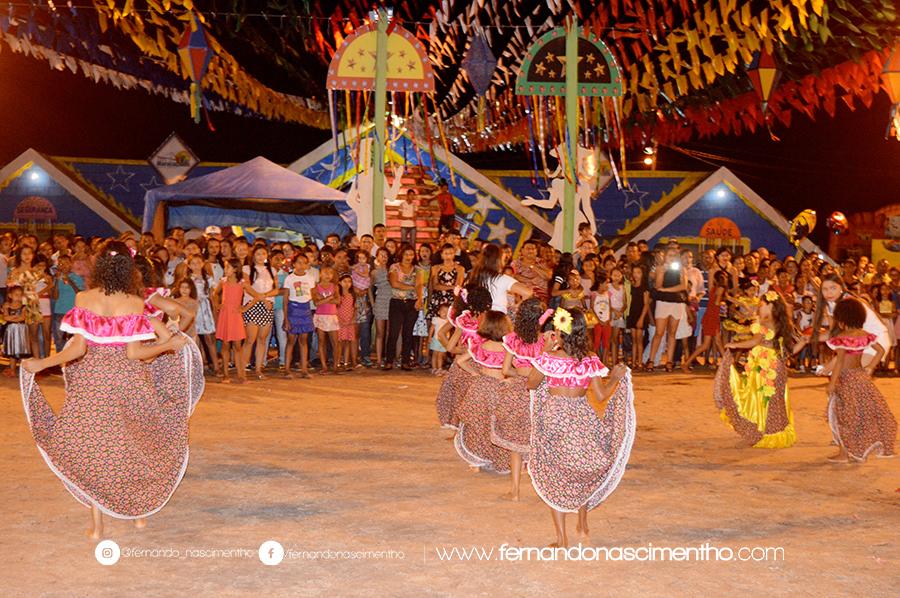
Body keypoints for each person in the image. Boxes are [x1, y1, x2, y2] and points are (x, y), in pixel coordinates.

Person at [20, 240, 202, 539]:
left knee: (93, 448)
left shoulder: (83, 298)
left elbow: (76, 349)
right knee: (134, 444)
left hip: (92, 382)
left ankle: (98, 524)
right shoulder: (133, 302)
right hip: (128, 381)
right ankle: (138, 515)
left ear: (100, 266)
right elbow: (134, 354)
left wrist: (42, 363)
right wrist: (169, 344)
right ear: (129, 269)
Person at [527, 307, 633, 548]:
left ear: (560, 332)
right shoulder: (590, 359)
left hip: (555, 419)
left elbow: (531, 384)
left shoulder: (550, 359)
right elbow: (601, 394)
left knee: (556, 473)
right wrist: (615, 377)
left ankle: (562, 538)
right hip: (581, 417)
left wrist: (542, 353)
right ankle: (583, 525)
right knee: (580, 469)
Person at [714, 291, 796, 448]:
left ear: (771, 306)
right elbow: (787, 349)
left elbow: (755, 340)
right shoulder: (781, 323)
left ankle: (767, 431)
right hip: (776, 364)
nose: (760, 306)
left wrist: (736, 345)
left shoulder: (766, 324)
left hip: (766, 365)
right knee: (773, 400)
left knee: (763, 399)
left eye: (763, 304)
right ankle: (775, 431)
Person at [825, 297, 896, 462]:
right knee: (859, 414)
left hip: (846, 379)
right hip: (861, 378)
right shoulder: (866, 335)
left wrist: (833, 382)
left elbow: (840, 361)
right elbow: (879, 352)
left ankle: (844, 453)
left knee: (843, 415)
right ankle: (854, 449)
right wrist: (870, 367)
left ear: (841, 320)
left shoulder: (843, 337)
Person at [453, 310, 513, 474]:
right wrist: (511, 379)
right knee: (500, 425)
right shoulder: (508, 348)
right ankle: (500, 458)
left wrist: (474, 373)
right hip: (501, 389)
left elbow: (460, 361)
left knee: (479, 424)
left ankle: (477, 460)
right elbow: (514, 368)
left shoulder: (480, 346)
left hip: (482, 388)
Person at [498, 298, 547, 501]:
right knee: (541, 438)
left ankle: (515, 491)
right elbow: (546, 367)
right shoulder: (546, 339)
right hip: (540, 390)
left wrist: (518, 373)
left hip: (519, 390)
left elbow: (505, 369)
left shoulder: (512, 339)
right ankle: (546, 489)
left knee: (516, 443)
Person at [435, 287, 492, 429]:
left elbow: (448, 347)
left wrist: (457, 350)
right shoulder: (489, 320)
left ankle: (454, 423)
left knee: (457, 395)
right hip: (479, 362)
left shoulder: (464, 320)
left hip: (460, 364)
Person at [646, 246, 687, 372]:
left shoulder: (681, 269)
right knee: (659, 332)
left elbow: (683, 286)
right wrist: (663, 272)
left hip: (676, 303)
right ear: (665, 256)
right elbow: (658, 286)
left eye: (674, 255)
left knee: (672, 333)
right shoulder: (660, 268)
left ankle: (669, 361)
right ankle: (651, 360)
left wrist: (667, 289)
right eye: (670, 255)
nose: (672, 258)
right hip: (663, 302)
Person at [242, 246, 280, 379]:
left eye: (263, 253)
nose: (260, 256)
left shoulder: (272, 270)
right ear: (253, 256)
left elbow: (276, 290)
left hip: (267, 306)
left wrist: (264, 297)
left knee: (262, 340)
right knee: (250, 339)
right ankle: (243, 369)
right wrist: (262, 298)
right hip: (252, 305)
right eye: (258, 254)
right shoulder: (246, 269)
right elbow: (246, 287)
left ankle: (258, 369)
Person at [683, 270, 727, 371]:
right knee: (706, 345)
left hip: (711, 316)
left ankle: (728, 365)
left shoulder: (715, 288)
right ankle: (687, 363)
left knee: (718, 342)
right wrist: (722, 303)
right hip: (712, 317)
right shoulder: (720, 288)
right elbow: (716, 303)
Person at [213, 258, 248, 384]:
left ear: (235, 270)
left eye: (227, 267)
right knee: (226, 345)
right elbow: (215, 294)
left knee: (238, 346)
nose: (225, 270)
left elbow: (255, 295)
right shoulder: (223, 281)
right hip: (225, 315)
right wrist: (217, 305)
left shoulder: (242, 283)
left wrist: (245, 308)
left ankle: (241, 374)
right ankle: (226, 374)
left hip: (235, 316)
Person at [470, 244, 532, 314]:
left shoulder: (475, 276)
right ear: (498, 261)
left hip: (479, 316)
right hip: (497, 319)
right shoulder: (502, 279)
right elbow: (528, 293)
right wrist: (517, 306)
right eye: (503, 259)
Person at [282, 253, 316, 378]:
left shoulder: (310, 278)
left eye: (304, 262)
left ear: (307, 265)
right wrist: (286, 318)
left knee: (304, 340)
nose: (301, 265)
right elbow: (285, 299)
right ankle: (286, 369)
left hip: (305, 309)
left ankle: (304, 369)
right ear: (294, 264)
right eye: (299, 262)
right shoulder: (289, 278)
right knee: (291, 340)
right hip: (293, 309)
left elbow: (312, 295)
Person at [186, 254, 219, 376]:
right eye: (193, 263)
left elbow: (212, 295)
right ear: (189, 265)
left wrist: (214, 310)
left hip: (205, 309)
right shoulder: (188, 279)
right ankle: (198, 367)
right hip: (193, 309)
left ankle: (215, 366)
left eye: (198, 262)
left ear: (203, 263)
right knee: (195, 339)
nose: (196, 265)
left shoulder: (207, 278)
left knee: (209, 338)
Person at [386, 246, 419, 370]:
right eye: (406, 254)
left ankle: (405, 361)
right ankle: (389, 360)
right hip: (396, 302)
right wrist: (412, 287)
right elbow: (394, 283)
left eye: (411, 254)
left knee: (408, 333)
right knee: (393, 333)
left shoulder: (418, 269)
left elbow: (420, 286)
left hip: (412, 303)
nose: (409, 257)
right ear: (401, 255)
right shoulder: (394, 267)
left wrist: (420, 299)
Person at [51, 255, 85, 354]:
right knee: (59, 339)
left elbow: (80, 293)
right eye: (61, 263)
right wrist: (57, 281)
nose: (63, 265)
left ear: (70, 264)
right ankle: (59, 362)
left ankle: (71, 361)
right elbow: (54, 296)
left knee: (72, 339)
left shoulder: (76, 277)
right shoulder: (57, 278)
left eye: (66, 262)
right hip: (59, 311)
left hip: (72, 312)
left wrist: (70, 281)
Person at [312, 266, 341, 375]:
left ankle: (335, 366)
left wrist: (323, 299)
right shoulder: (316, 287)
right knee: (321, 341)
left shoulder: (335, 286)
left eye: (330, 273)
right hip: (320, 316)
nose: (328, 275)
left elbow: (338, 300)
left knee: (335, 342)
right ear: (320, 274)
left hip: (332, 316)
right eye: (325, 272)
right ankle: (324, 366)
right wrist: (329, 298)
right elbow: (316, 303)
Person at [3, 286, 31, 376]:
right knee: (12, 350)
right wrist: (16, 318)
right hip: (11, 331)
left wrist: (11, 318)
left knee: (22, 349)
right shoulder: (6, 305)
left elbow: (23, 317)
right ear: (10, 295)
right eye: (16, 295)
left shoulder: (24, 306)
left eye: (20, 295)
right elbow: (5, 317)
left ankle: (26, 371)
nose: (18, 297)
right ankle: (12, 370)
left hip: (21, 331)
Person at [372, 247, 392, 368]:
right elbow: (370, 288)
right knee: (380, 333)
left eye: (386, 255)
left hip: (392, 301)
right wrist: (372, 302)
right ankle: (379, 359)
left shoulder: (393, 269)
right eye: (381, 255)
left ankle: (390, 358)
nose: (384, 258)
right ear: (377, 257)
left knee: (391, 332)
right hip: (380, 301)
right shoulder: (374, 272)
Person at [627, 264, 650, 369]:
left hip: (640, 314)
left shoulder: (645, 288)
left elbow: (646, 305)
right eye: (634, 272)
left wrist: (641, 318)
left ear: (642, 274)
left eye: (638, 273)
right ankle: (633, 361)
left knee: (639, 340)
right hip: (632, 313)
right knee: (634, 340)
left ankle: (640, 361)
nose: (636, 275)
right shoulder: (631, 285)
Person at [337, 273, 358, 370]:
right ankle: (337, 362)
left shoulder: (352, 295)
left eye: (349, 282)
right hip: (340, 321)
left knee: (348, 341)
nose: (347, 284)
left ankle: (346, 362)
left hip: (349, 322)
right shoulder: (338, 295)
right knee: (340, 342)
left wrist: (353, 319)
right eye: (344, 281)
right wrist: (340, 320)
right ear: (339, 282)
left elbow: (354, 308)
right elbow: (335, 308)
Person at [429, 303, 450, 375]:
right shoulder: (436, 319)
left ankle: (440, 368)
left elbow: (448, 332)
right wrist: (429, 337)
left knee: (441, 355)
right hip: (436, 339)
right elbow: (432, 328)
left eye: (447, 312)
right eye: (443, 311)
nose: (445, 313)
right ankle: (434, 368)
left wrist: (448, 340)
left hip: (444, 341)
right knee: (435, 354)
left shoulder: (448, 321)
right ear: (439, 312)